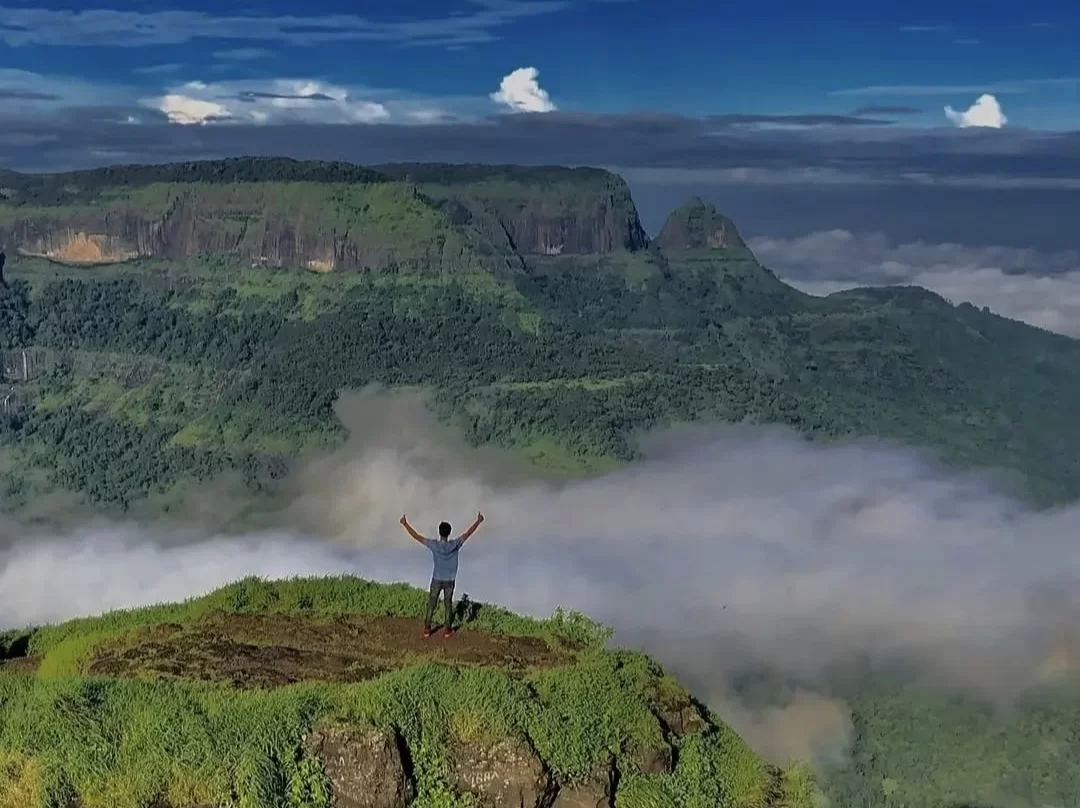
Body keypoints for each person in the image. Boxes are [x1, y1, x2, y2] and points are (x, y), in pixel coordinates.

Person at [400, 512, 485, 637]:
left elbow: (416, 536)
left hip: (436, 578)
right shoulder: (455, 544)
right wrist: (478, 521)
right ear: (449, 532)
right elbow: (468, 533)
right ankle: (447, 630)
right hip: (450, 579)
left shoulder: (434, 545)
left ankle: (427, 629)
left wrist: (405, 524)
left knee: (432, 603)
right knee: (448, 604)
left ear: (439, 532)